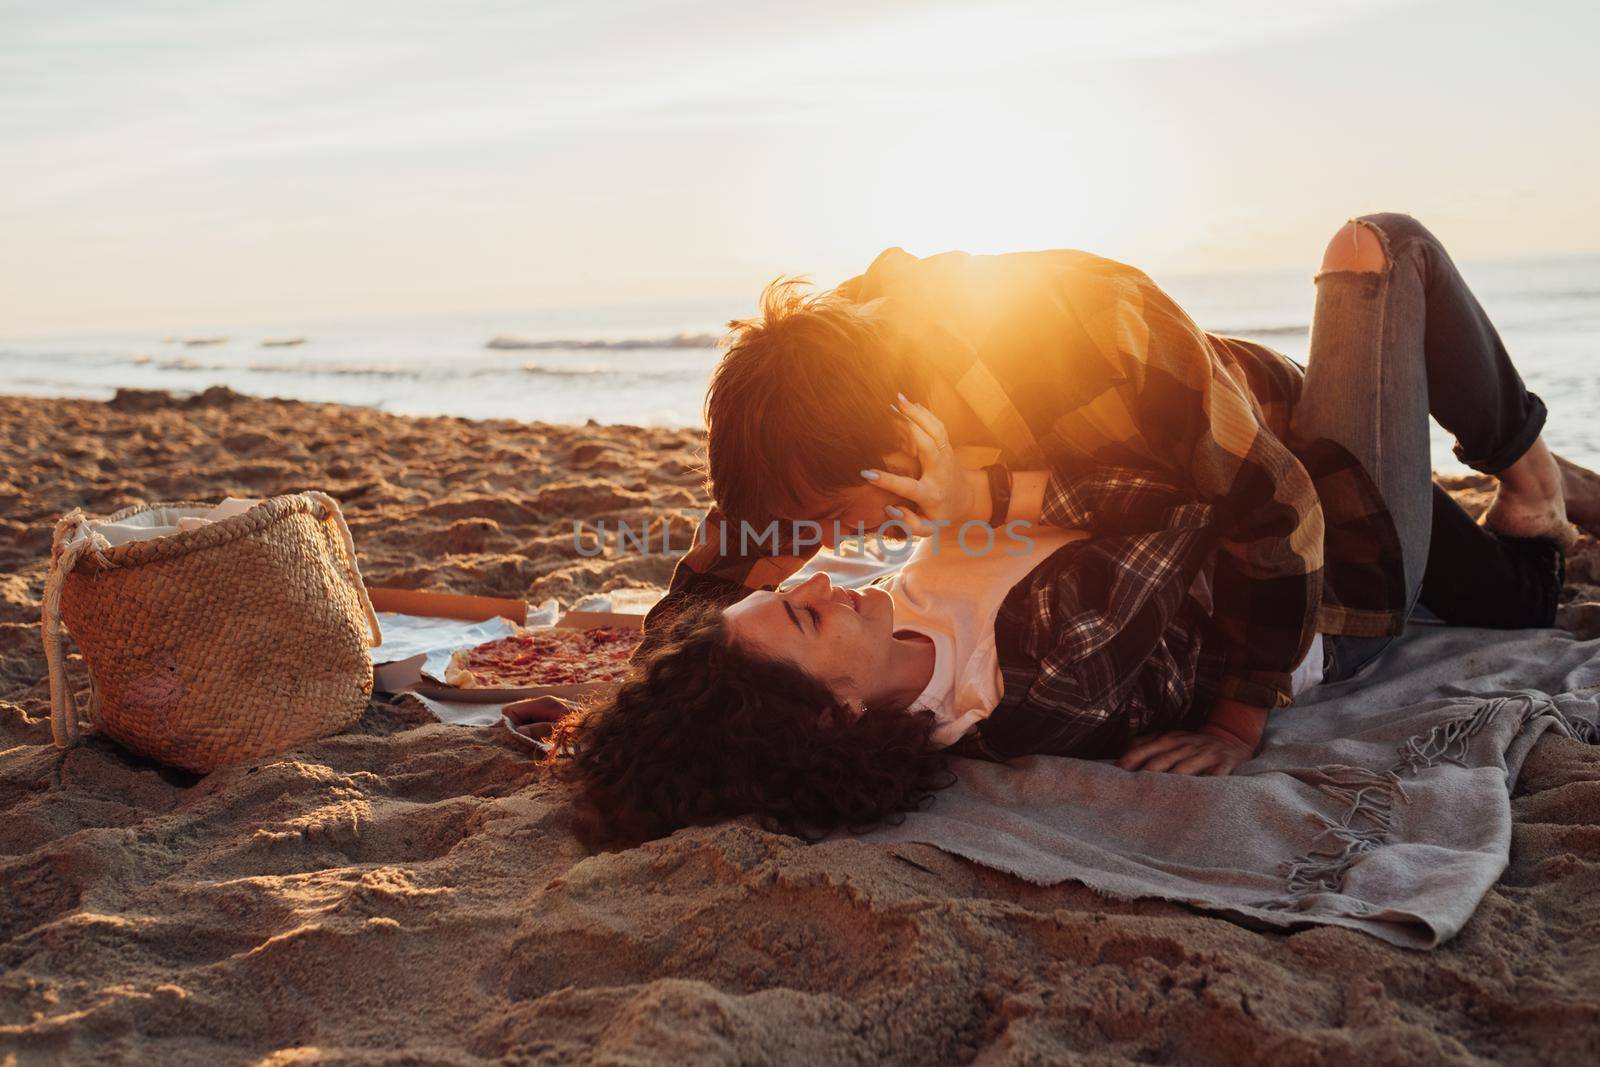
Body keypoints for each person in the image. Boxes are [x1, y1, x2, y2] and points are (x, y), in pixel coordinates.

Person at [547, 212, 1600, 838]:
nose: (821, 552)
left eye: (834, 519)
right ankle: (1539, 520)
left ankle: (1527, 464)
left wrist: (1239, 717)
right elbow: (752, 544)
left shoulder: (1084, 327)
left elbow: (1264, 503)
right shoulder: (836, 401)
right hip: (1312, 534)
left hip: (1283, 478)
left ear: (902, 429)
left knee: (1375, 246)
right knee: (1503, 591)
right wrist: (659, 701)